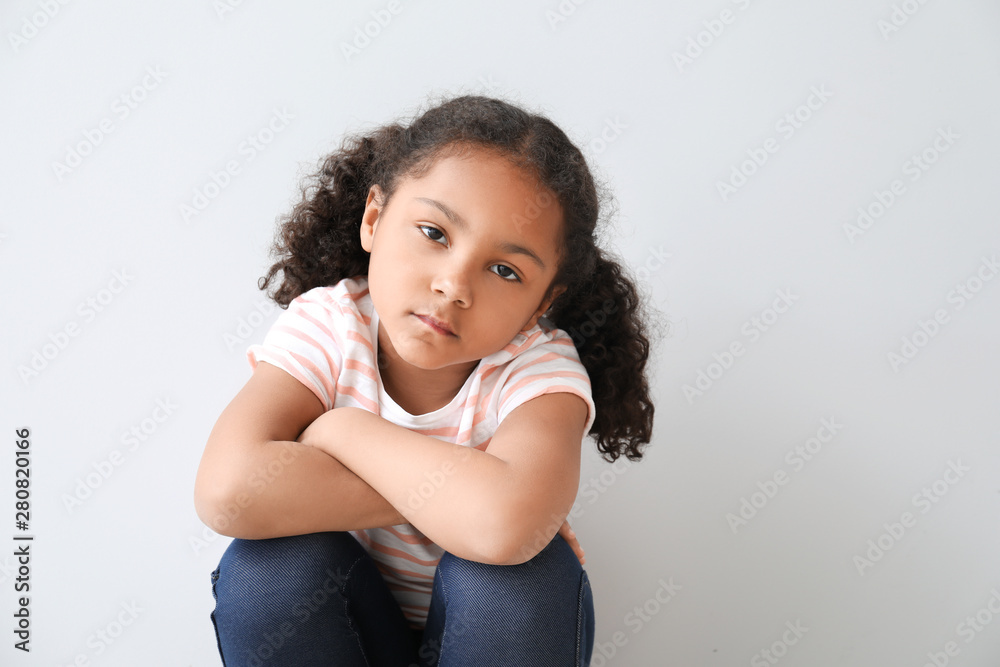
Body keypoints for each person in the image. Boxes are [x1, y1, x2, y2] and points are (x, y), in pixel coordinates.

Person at [194, 93, 657, 666]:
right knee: (267, 570)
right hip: (350, 634)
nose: (454, 284)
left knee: (514, 581)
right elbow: (228, 493)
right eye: (435, 233)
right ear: (373, 218)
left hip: (492, 640)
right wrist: (469, 497)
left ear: (543, 303)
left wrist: (340, 430)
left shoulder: (538, 369)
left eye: (505, 270)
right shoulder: (330, 325)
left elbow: (504, 529)